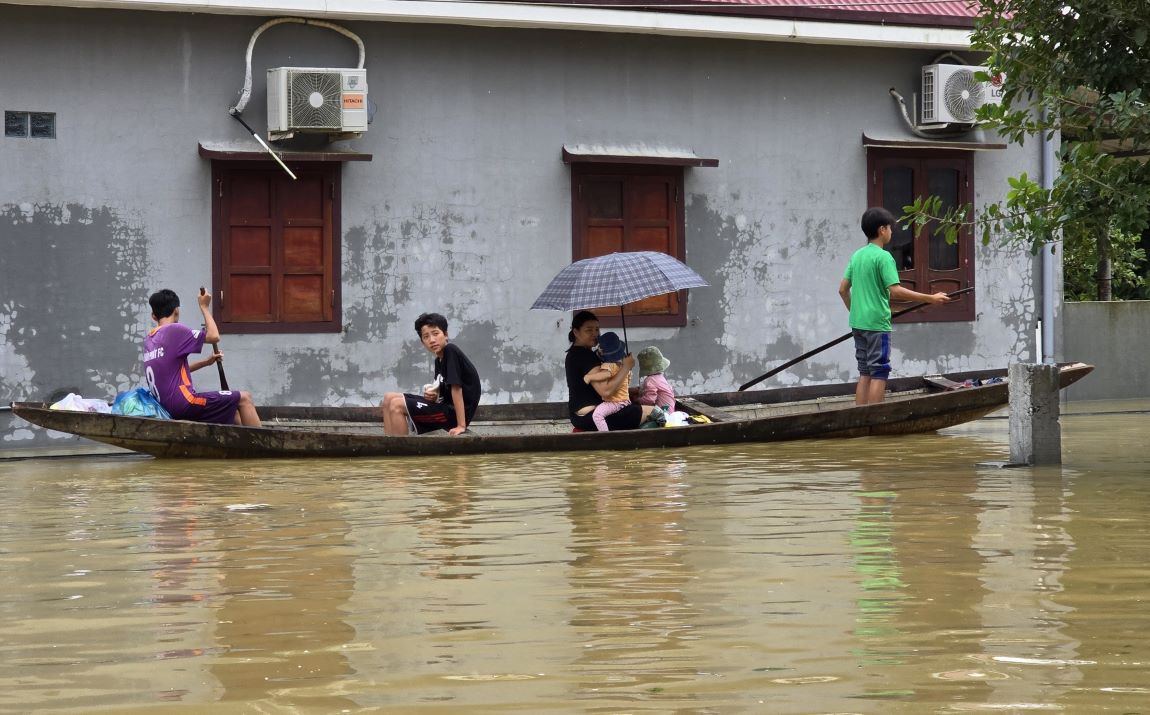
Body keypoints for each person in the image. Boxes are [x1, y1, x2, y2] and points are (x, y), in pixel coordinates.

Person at [838, 207, 951, 405]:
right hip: (876, 324)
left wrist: (856, 312)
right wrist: (930, 298)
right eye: (890, 228)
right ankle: (875, 418)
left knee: (865, 371)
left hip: (858, 323)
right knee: (879, 371)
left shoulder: (857, 256)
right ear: (882, 230)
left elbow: (842, 290)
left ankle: (859, 418)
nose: (891, 232)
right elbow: (896, 291)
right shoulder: (883, 257)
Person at [143, 288, 261, 426]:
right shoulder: (174, 330)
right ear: (176, 310)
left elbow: (172, 372)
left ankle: (241, 446)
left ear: (153, 316)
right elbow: (214, 336)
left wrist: (206, 362)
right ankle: (264, 447)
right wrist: (204, 307)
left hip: (168, 407)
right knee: (245, 398)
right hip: (186, 403)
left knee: (232, 410)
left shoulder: (150, 340)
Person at [381, 312, 481, 436]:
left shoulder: (451, 351)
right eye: (426, 336)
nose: (432, 340)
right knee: (388, 398)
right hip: (444, 408)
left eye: (435, 333)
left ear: (445, 335)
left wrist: (461, 425)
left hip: (453, 415)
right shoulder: (439, 360)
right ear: (423, 342)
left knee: (396, 404)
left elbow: (456, 388)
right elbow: (442, 393)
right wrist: (433, 396)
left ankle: (401, 451)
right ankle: (387, 444)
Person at [564, 311, 653, 431]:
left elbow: (587, 390)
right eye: (589, 330)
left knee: (634, 403)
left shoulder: (574, 354)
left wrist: (629, 391)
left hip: (579, 416)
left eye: (597, 329)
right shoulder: (586, 357)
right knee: (653, 411)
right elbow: (605, 391)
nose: (595, 334)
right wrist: (625, 367)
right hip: (593, 416)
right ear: (576, 332)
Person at [585, 332, 632, 431]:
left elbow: (605, 374)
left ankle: (606, 436)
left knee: (597, 415)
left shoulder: (608, 365)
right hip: (624, 400)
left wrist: (590, 377)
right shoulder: (621, 366)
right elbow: (628, 380)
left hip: (615, 401)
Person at [635, 346, 676, 413]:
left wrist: (637, 400)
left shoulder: (650, 380)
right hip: (670, 412)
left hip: (662, 416)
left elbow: (649, 400)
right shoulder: (660, 377)